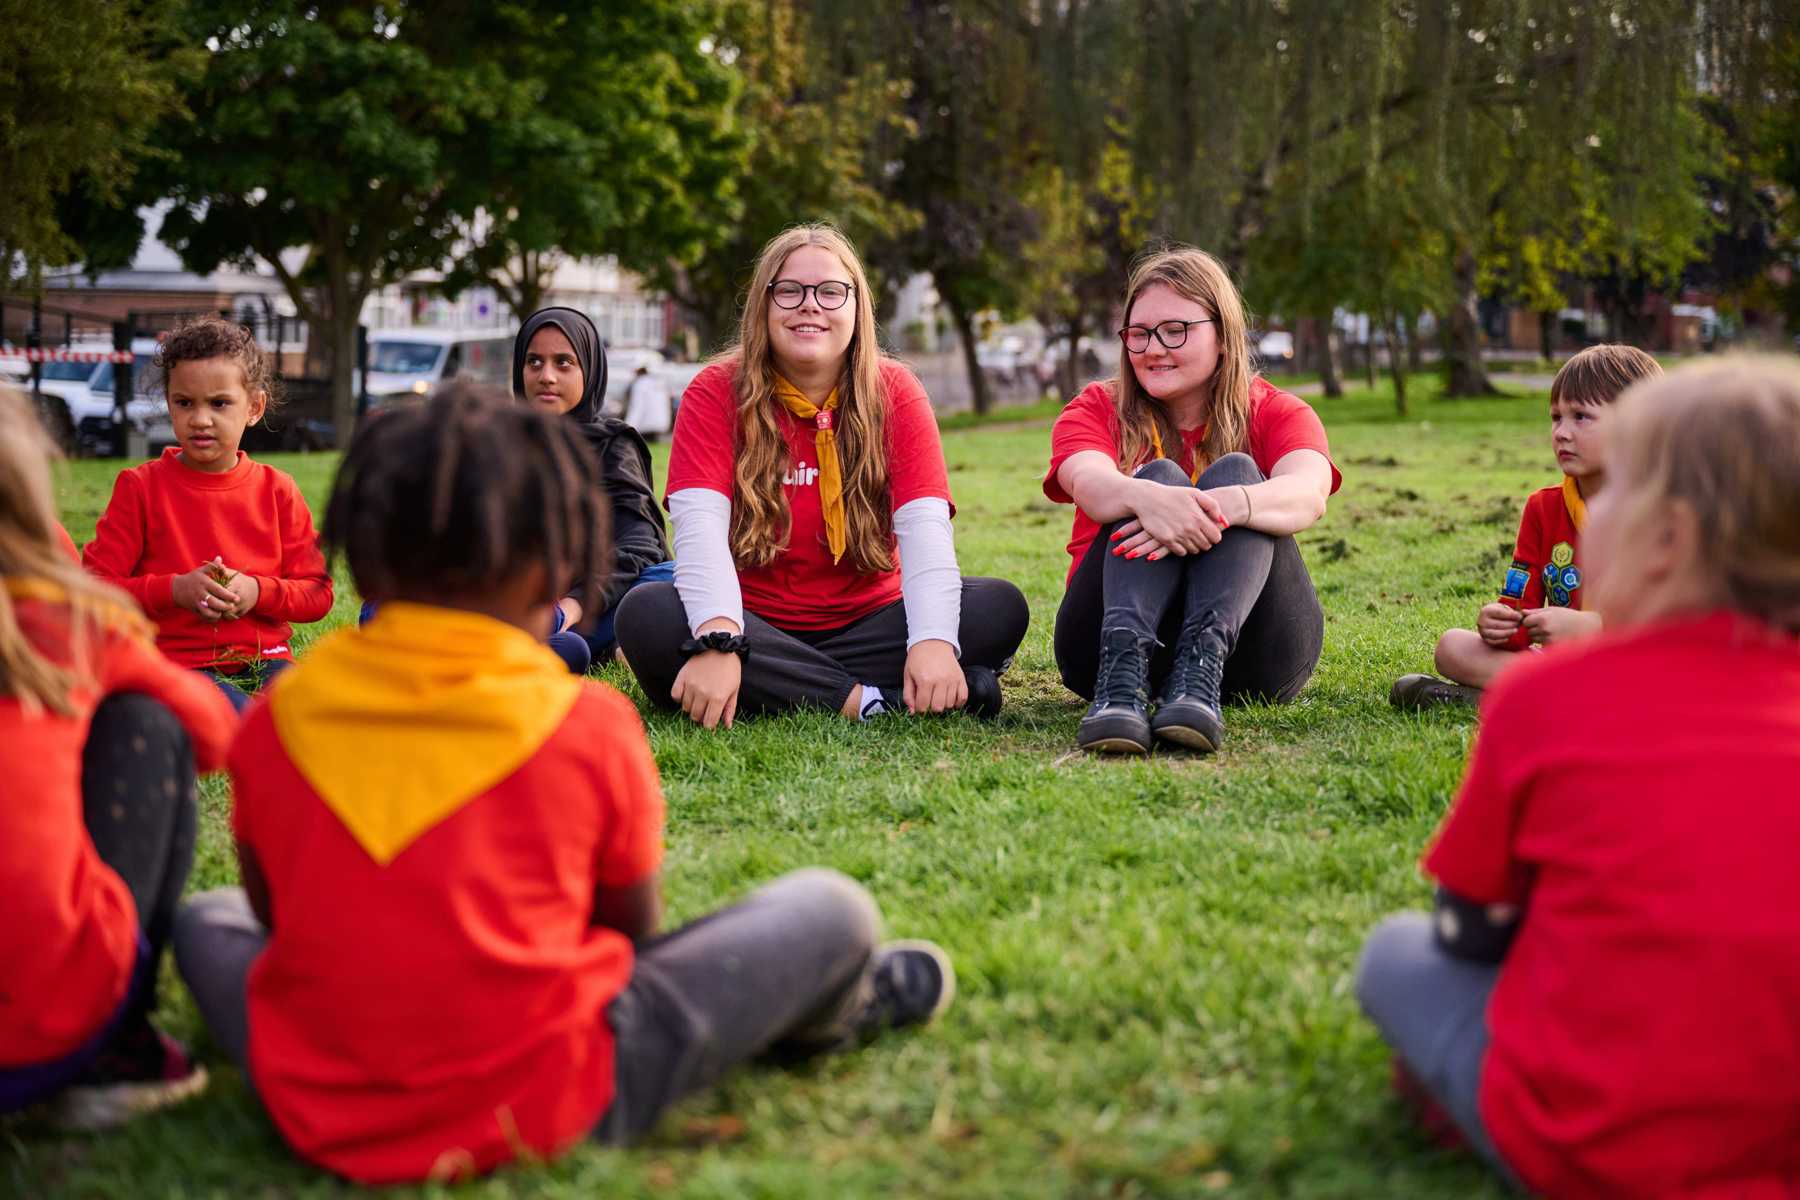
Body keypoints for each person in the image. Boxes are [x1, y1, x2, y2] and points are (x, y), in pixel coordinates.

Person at [172, 386, 957, 1184]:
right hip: (554, 1095)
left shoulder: (279, 718)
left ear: (366, 562)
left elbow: (274, 919)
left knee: (208, 920)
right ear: (554, 567)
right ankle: (820, 1012)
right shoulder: (586, 725)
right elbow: (628, 939)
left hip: (317, 1092)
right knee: (834, 910)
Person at [1356, 357, 1800, 1197]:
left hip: (1592, 1145)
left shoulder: (1546, 698)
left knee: (1395, 954)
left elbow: (1469, 935)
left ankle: (1469, 1104)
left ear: (1667, 537)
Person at [614, 224, 1029, 726]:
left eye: (832, 292)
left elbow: (926, 532)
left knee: (999, 606)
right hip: (753, 622)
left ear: (857, 308)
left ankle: (780, 686)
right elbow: (699, 533)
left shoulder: (895, 391)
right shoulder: (714, 390)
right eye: (788, 290)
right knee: (647, 615)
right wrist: (719, 637)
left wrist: (933, 642)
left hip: (871, 625)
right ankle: (874, 701)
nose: (810, 304)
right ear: (763, 305)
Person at [0, 386, 235, 1129]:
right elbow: (214, 734)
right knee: (149, 723)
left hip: (244, 650)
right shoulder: (69, 624)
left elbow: (305, 589)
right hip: (40, 1036)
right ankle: (115, 1044)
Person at [1046, 247, 1340, 755]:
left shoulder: (1276, 411)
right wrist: (1149, 496)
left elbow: (1308, 492)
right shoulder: (1096, 406)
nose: (1153, 349)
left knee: (1241, 475)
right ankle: (1122, 685)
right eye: (1139, 334)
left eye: (1175, 330)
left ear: (1223, 336)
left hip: (1247, 656)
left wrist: (1228, 504)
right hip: (1102, 653)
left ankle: (1199, 668)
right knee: (1157, 475)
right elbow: (1090, 485)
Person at [1391, 344, 1662, 710]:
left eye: (1580, 417)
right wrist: (1502, 624)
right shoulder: (1543, 508)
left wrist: (1594, 629)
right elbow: (1520, 605)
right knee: (1453, 647)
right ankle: (1564, 697)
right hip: (1564, 666)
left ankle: (1501, 700)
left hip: (1644, 665)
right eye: (1556, 417)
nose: (1561, 433)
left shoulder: (1665, 510)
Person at [83, 316, 333, 712]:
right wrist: (174, 590)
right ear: (169, 402)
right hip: (176, 663)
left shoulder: (277, 489)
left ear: (254, 407)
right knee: (231, 716)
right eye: (185, 403)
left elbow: (318, 593)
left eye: (219, 403)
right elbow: (93, 590)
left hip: (267, 658)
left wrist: (256, 591)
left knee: (307, 713)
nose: (200, 419)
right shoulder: (141, 487)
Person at [514, 307, 673, 668]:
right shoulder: (499, 442)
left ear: (589, 369)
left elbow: (638, 545)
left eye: (564, 363)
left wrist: (566, 608)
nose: (547, 376)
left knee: (670, 581)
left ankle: (539, 646)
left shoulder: (612, 445)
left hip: (591, 601)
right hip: (511, 604)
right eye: (534, 362)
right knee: (380, 609)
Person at [622, 363, 672, 440]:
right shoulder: (660, 383)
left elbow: (637, 407)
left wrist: (628, 427)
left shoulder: (640, 384)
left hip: (645, 426)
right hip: (661, 425)